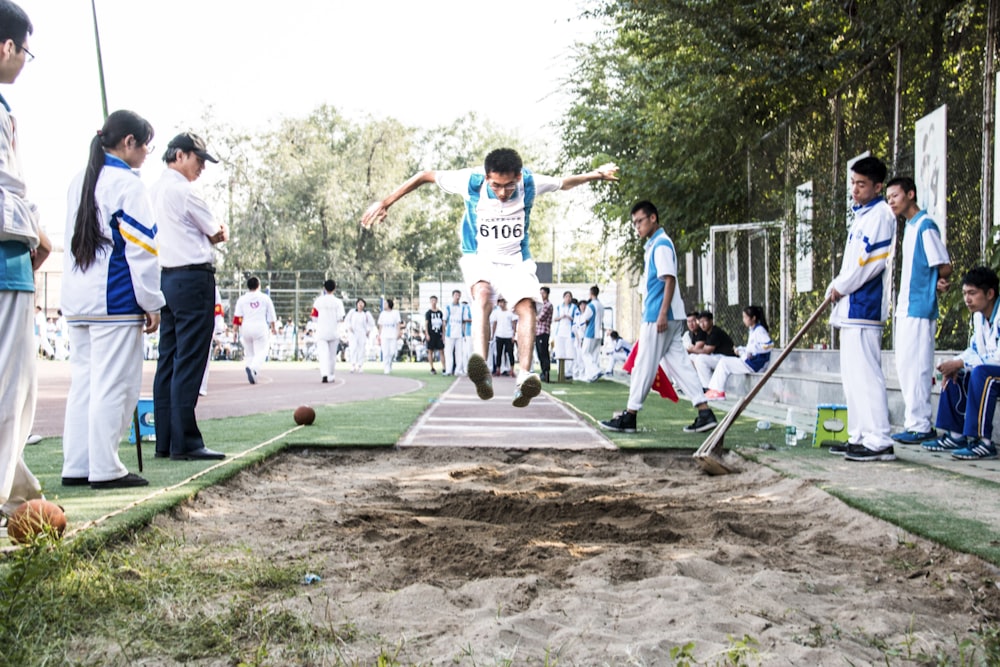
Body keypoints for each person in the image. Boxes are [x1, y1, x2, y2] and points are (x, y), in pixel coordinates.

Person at [362, 147, 618, 407]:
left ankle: (524, 378)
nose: (502, 192)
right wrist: (385, 203)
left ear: (518, 177)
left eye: (508, 186)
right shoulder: (470, 181)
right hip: (480, 258)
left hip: (516, 262)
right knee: (483, 295)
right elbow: (424, 175)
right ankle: (482, 370)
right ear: (486, 178)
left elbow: (564, 183)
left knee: (528, 308)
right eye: (496, 185)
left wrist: (595, 175)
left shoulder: (529, 182)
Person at [59, 110, 162, 489]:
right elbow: (142, 250)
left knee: (84, 383)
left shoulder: (79, 180)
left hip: (78, 300)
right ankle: (105, 467)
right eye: (146, 144)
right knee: (114, 386)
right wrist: (152, 301)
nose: (149, 152)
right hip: (115, 300)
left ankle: (78, 464)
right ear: (128, 142)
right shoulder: (129, 185)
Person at [600, 201, 717, 434]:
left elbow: (669, 279)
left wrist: (662, 313)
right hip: (667, 316)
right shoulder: (656, 244)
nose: (637, 227)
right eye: (634, 224)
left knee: (643, 364)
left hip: (659, 316)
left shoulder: (661, 244)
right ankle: (705, 412)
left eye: (640, 221)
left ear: (653, 218)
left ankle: (630, 416)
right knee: (681, 366)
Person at [0, 0, 52, 521]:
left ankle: (19, 493)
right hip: (6, 264)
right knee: (11, 392)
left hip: (12, 259)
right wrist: (34, 231)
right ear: (7, 46)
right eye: (24, 52)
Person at [151, 132, 228, 461]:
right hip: (193, 277)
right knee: (190, 359)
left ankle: (166, 439)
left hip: (166, 277)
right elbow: (216, 233)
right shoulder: (185, 191)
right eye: (199, 160)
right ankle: (187, 442)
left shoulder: (154, 189)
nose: (202, 168)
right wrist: (219, 232)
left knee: (168, 359)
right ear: (179, 155)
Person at [827, 156, 897, 462]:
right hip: (849, 307)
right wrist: (837, 285)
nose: (855, 189)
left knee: (867, 374)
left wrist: (842, 285)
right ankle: (859, 435)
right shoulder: (861, 216)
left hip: (865, 305)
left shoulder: (881, 215)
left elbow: (870, 264)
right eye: (853, 183)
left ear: (877, 186)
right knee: (851, 376)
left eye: (861, 184)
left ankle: (879, 438)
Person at [885, 176, 953, 444]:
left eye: (895, 196)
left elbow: (944, 264)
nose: (891, 201)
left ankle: (922, 425)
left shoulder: (925, 226)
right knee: (904, 367)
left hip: (919, 308)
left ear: (910, 194)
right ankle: (915, 423)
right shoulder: (910, 227)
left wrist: (939, 282)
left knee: (918, 368)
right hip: (905, 308)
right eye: (888, 198)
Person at [921, 267, 1000, 460]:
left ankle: (983, 441)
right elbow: (974, 350)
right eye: (965, 293)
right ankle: (956, 435)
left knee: (982, 374)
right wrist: (957, 363)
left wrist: (962, 363)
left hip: (993, 372)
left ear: (990, 294)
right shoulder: (979, 317)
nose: (967, 299)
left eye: (972, 293)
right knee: (958, 372)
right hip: (991, 370)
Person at [704, 306, 774, 400]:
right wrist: (742, 350)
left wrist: (753, 352)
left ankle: (718, 391)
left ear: (753, 318)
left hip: (755, 364)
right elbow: (752, 347)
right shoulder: (753, 330)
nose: (743, 320)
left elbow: (769, 345)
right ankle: (714, 390)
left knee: (724, 362)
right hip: (751, 362)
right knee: (724, 362)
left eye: (745, 317)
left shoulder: (759, 330)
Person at [233, 276, 277, 383]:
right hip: (260, 327)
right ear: (259, 286)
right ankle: (253, 369)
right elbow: (271, 315)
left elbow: (237, 317)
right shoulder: (265, 298)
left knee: (250, 353)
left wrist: (234, 331)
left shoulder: (242, 299)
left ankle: (250, 368)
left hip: (246, 327)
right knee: (262, 350)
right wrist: (273, 328)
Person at [689, 310, 737, 390]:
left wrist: (690, 350)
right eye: (700, 322)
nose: (702, 324)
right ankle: (697, 384)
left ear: (711, 321)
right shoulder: (708, 332)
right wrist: (692, 351)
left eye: (705, 321)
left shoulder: (715, 332)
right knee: (693, 357)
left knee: (701, 359)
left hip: (727, 358)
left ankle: (708, 387)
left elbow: (707, 351)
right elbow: (704, 350)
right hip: (718, 357)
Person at [311, 279, 345, 383]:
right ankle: (331, 374)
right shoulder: (338, 302)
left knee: (323, 354)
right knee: (332, 355)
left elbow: (314, 317)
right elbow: (341, 317)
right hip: (334, 331)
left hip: (321, 331)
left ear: (324, 288)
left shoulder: (318, 301)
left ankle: (324, 374)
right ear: (335, 288)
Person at [198, 286, 225, 396]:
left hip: (204, 325)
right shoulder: (210, 285)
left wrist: (218, 329)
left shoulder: (211, 286)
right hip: (202, 325)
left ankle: (201, 386)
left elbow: (217, 309)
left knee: (204, 357)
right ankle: (200, 387)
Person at [581, 284, 605, 382]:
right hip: (599, 332)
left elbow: (585, 318)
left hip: (590, 332)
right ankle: (591, 376)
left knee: (585, 353)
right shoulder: (601, 305)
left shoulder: (590, 305)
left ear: (591, 294)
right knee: (594, 354)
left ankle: (595, 370)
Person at [553, 290, 579, 376]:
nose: (568, 298)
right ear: (563, 298)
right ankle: (560, 370)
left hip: (569, 332)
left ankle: (568, 372)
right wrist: (561, 317)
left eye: (569, 297)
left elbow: (577, 319)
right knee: (560, 351)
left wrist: (569, 317)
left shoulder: (574, 307)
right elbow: (555, 318)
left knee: (569, 351)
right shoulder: (559, 307)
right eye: (566, 297)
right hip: (560, 331)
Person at [345, 297, 374, 373]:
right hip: (353, 333)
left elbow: (371, 323)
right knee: (353, 348)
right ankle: (353, 365)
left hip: (362, 333)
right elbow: (347, 320)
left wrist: (368, 330)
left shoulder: (366, 313)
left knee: (361, 349)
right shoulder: (352, 312)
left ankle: (360, 365)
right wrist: (349, 327)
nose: (360, 304)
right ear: (356, 304)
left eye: (362, 303)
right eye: (359, 303)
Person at [442, 290, 467, 376]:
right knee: (448, 352)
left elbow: (464, 321)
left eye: (459, 295)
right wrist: (444, 333)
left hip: (459, 333)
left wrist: (464, 333)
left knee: (459, 353)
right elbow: (444, 320)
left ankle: (458, 370)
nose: (457, 297)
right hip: (450, 333)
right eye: (456, 295)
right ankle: (448, 370)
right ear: (453, 296)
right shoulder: (448, 307)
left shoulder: (462, 307)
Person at [490, 297, 516, 376]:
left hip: (508, 335)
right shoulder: (496, 312)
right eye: (499, 303)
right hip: (499, 335)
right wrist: (492, 335)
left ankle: (512, 370)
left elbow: (514, 324)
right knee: (499, 353)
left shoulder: (510, 312)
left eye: (502, 302)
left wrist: (513, 335)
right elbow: (494, 324)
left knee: (510, 353)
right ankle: (498, 370)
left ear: (505, 303)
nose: (501, 304)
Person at [377, 297, 402, 374]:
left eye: (385, 303)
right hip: (384, 335)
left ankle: (390, 364)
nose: (384, 305)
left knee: (392, 352)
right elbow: (380, 325)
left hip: (393, 335)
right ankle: (386, 367)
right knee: (385, 352)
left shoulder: (395, 313)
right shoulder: (382, 314)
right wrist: (379, 335)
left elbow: (398, 324)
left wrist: (399, 333)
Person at [535, 286, 553, 382]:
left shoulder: (548, 305)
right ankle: (543, 372)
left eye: (543, 293)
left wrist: (533, 315)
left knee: (544, 353)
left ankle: (546, 372)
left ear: (546, 294)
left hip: (543, 332)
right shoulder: (540, 305)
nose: (541, 295)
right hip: (537, 332)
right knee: (539, 353)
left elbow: (540, 317)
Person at [424, 294, 444, 374]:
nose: (433, 302)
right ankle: (432, 368)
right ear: (430, 302)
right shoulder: (428, 313)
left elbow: (443, 324)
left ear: (437, 301)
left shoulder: (440, 312)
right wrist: (427, 334)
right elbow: (426, 324)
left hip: (438, 334)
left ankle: (444, 367)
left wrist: (443, 334)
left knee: (441, 351)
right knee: (430, 351)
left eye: (435, 300)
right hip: (431, 334)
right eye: (432, 301)